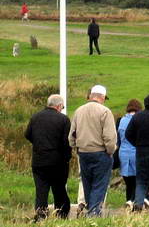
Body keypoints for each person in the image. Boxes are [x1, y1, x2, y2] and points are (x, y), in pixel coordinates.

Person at [69, 85, 117, 217]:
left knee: (87, 184)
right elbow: (110, 137)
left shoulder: (79, 111)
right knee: (99, 184)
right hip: (101, 153)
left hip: (83, 153)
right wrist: (110, 150)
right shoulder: (105, 112)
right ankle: (94, 213)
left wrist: (76, 147)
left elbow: (72, 135)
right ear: (102, 97)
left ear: (91, 96)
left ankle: (91, 210)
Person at [25, 94, 71, 221]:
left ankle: (40, 217)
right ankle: (61, 216)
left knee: (41, 192)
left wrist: (39, 144)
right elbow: (66, 142)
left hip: (39, 161)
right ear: (59, 105)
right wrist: (67, 157)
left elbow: (27, 134)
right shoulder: (63, 120)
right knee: (59, 191)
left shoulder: (35, 117)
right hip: (58, 162)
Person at [117, 99, 142, 208]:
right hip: (135, 153)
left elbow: (118, 140)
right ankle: (132, 201)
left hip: (123, 153)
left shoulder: (121, 120)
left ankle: (129, 201)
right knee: (137, 180)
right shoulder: (138, 120)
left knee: (128, 182)